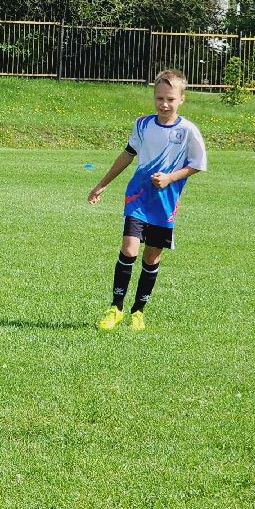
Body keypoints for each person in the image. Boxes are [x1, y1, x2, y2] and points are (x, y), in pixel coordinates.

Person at [88, 69, 207, 330]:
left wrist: (170, 178)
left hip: (164, 204)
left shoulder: (188, 131)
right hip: (138, 198)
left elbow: (198, 164)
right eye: (159, 98)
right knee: (129, 249)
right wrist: (102, 184)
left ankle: (138, 312)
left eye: (170, 99)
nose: (164, 104)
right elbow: (127, 154)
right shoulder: (142, 125)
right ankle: (115, 308)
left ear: (181, 99)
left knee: (152, 258)